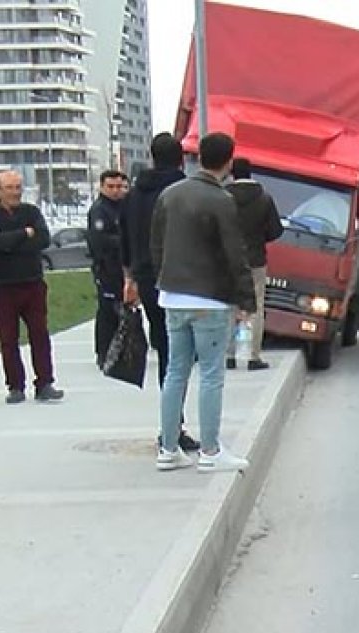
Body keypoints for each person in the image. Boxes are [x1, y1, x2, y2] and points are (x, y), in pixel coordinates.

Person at [150, 132, 256, 473]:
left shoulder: (169, 195)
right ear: (228, 160)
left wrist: (162, 280)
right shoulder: (221, 200)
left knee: (175, 371)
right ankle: (210, 450)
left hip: (172, 296)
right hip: (210, 298)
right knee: (211, 373)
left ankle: (168, 447)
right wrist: (246, 299)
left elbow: (156, 244)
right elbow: (234, 253)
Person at [121, 133, 199, 452]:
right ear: (180, 158)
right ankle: (172, 429)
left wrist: (130, 278)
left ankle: (171, 424)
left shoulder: (134, 195)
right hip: (179, 280)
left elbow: (124, 237)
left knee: (167, 350)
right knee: (180, 356)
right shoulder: (183, 191)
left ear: (152, 157)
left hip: (145, 277)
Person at [0, 171, 64, 404]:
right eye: (10, 188)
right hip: (2, 286)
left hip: (32, 283)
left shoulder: (32, 212)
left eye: (18, 187)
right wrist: (23, 234)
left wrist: (8, 240)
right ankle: (15, 385)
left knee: (40, 334)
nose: (15, 192)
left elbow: (43, 239)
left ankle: (45, 382)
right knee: (8, 338)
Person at [225, 157, 283, 371]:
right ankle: (253, 356)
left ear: (232, 173)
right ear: (251, 173)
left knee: (230, 306)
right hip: (256, 259)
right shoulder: (264, 199)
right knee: (256, 307)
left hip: (228, 260)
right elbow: (276, 231)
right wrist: (259, 238)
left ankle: (229, 355)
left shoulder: (223, 197)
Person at [87, 170, 128, 364]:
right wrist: (125, 240)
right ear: (102, 187)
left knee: (124, 309)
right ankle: (103, 352)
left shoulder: (126, 206)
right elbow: (99, 240)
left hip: (125, 266)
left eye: (119, 186)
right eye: (110, 187)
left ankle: (121, 349)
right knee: (107, 311)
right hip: (107, 267)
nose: (115, 191)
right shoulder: (99, 210)